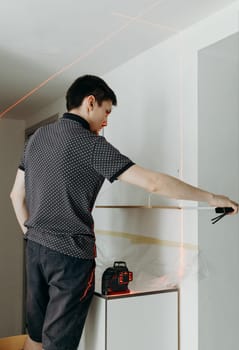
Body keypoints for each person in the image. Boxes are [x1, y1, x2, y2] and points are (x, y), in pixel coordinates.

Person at [10, 75, 238, 350]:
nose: (106, 122)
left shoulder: (38, 138)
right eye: (106, 112)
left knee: (35, 337)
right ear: (90, 102)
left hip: (35, 250)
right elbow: (154, 183)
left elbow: (15, 195)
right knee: (57, 345)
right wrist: (213, 197)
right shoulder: (91, 145)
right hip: (69, 259)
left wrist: (35, 236)